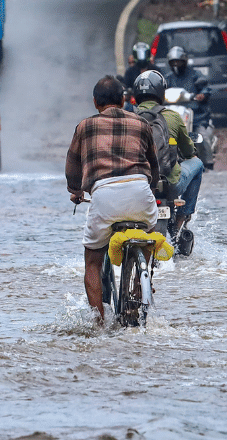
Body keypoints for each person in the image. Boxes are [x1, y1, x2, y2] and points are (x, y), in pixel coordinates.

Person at [65, 76, 161, 325]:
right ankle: (139, 289)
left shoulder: (85, 126)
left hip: (104, 196)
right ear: (123, 100)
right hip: (140, 191)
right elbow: (154, 164)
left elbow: (72, 165)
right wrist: (149, 187)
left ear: (95, 102)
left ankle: (98, 324)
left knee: (93, 261)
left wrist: (75, 190)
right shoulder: (141, 123)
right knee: (149, 236)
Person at [132, 68, 202, 238]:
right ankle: (181, 217)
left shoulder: (127, 118)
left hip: (135, 184)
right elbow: (187, 151)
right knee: (198, 164)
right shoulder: (173, 116)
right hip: (169, 183)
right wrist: (191, 152)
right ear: (161, 92)